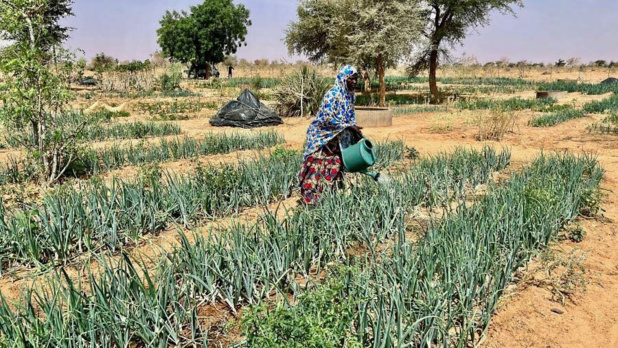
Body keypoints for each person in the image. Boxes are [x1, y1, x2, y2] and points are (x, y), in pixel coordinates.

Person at [298, 65, 362, 204]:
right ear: (343, 79)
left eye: (357, 79)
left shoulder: (350, 96)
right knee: (316, 166)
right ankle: (310, 200)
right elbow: (326, 119)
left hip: (338, 139)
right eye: (352, 79)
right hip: (323, 137)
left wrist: (355, 129)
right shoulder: (332, 95)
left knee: (335, 165)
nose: (355, 82)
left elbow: (350, 116)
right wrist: (348, 126)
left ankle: (329, 199)